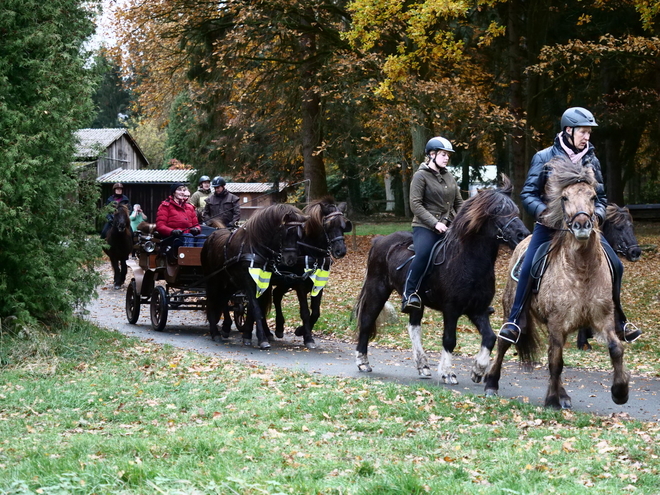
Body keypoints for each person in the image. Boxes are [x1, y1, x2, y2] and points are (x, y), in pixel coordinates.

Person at [498, 107, 641, 344]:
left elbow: (602, 198)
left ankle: (620, 320)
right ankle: (515, 321)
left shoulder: (591, 159)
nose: (587, 136)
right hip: (550, 226)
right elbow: (528, 193)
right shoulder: (544, 157)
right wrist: (544, 212)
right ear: (568, 130)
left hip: (586, 227)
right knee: (528, 265)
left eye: (589, 132)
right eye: (583, 132)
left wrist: (598, 216)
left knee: (617, 264)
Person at [401, 136, 463, 313]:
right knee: (424, 254)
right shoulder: (420, 176)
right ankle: (409, 293)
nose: (446, 158)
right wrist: (435, 223)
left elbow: (459, 203)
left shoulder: (449, 176)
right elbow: (415, 205)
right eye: (443, 154)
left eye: (448, 156)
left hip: (449, 225)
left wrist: (465, 221)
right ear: (431, 155)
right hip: (425, 227)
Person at [156, 183, 203, 257]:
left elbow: (197, 225)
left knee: (202, 237)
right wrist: (172, 231)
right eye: (179, 190)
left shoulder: (190, 207)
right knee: (188, 237)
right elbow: (160, 226)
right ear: (173, 192)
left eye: (183, 190)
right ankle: (188, 261)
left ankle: (200, 261)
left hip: (189, 236)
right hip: (172, 238)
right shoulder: (165, 206)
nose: (182, 192)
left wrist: (197, 229)